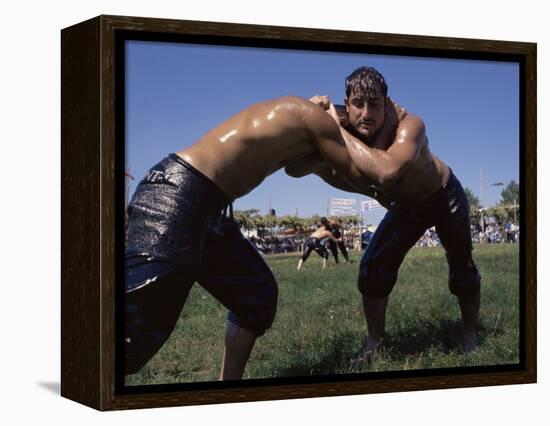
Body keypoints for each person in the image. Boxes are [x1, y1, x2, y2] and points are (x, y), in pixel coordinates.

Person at [124, 95, 376, 378]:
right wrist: (389, 193)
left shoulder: (299, 133)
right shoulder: (313, 115)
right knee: (134, 334)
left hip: (210, 207)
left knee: (256, 295)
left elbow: (300, 171)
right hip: (177, 194)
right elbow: (354, 170)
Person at [311, 66, 481, 355]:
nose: (366, 113)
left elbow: (387, 171)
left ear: (388, 103)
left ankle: (470, 333)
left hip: (443, 195)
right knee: (372, 268)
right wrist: (312, 112)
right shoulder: (343, 122)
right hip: (407, 205)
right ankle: (374, 343)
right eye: (358, 104)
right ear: (346, 103)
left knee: (461, 268)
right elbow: (297, 165)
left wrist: (334, 129)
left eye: (375, 104)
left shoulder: (410, 125)